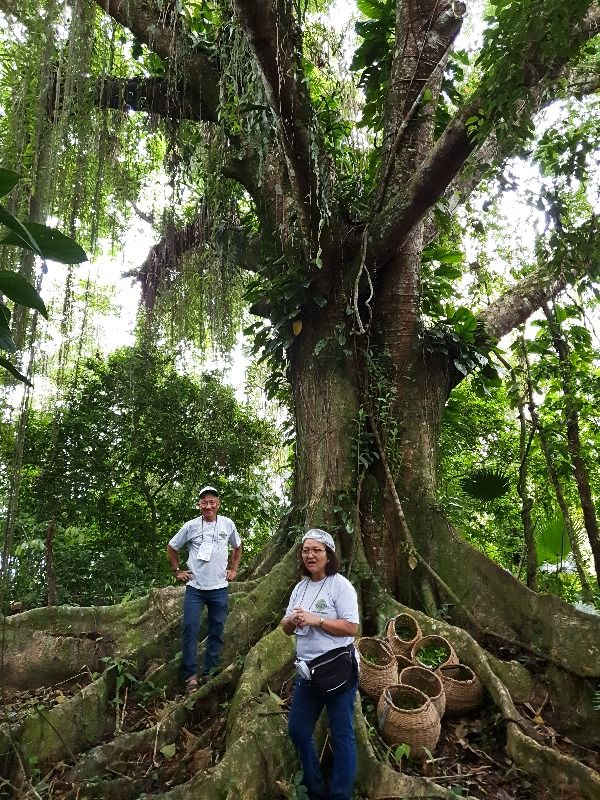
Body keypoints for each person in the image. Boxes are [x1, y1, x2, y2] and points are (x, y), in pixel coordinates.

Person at [282, 529, 359, 800]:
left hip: (337, 671)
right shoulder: (300, 588)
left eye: (317, 550)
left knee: (341, 734)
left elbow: (352, 627)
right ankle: (315, 789)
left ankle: (340, 794)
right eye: (306, 550)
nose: (310, 555)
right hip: (308, 673)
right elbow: (284, 628)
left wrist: (318, 620)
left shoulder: (340, 585)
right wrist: (292, 621)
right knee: (299, 730)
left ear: (328, 555)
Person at [167, 485, 242, 693]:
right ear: (199, 505)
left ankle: (209, 673)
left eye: (212, 502)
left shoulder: (227, 524)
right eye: (204, 502)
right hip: (195, 588)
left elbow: (238, 546)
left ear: (218, 504)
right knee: (190, 629)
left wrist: (233, 569)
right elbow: (172, 547)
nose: (208, 506)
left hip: (219, 588)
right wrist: (177, 571)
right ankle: (190, 677)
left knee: (216, 631)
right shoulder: (191, 526)